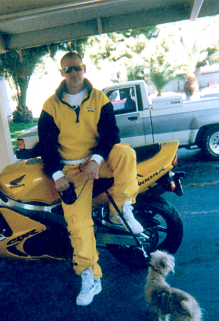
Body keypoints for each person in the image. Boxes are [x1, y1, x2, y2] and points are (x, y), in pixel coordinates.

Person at [38, 51, 143, 306]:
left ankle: (120, 211)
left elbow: (111, 135)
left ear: (84, 68)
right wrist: (57, 174)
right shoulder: (50, 106)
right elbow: (46, 145)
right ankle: (91, 276)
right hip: (72, 171)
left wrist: (96, 159)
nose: (73, 73)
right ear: (61, 73)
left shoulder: (100, 98)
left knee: (126, 154)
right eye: (68, 69)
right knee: (78, 226)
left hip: (99, 161)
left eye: (77, 68)